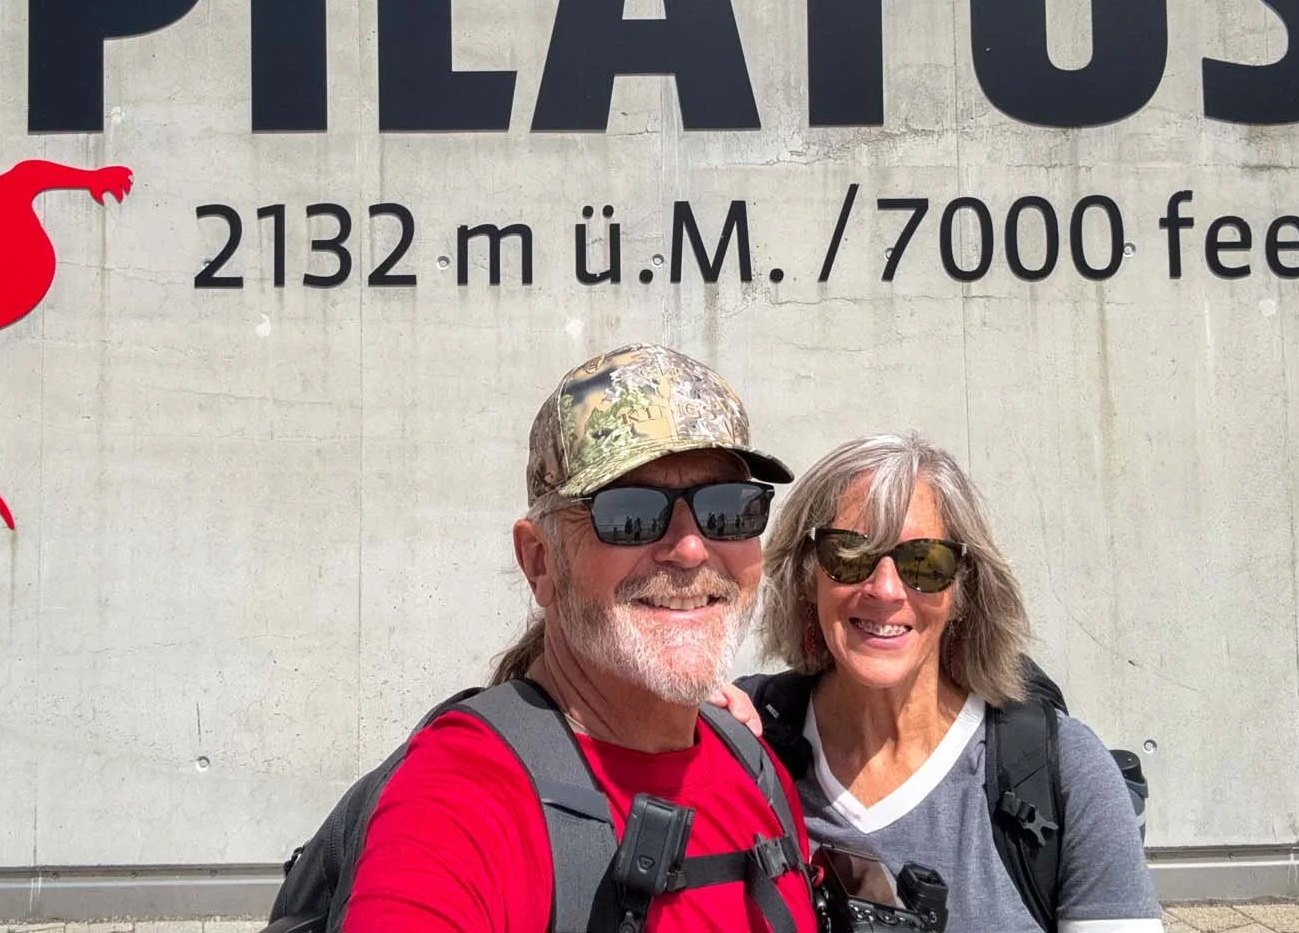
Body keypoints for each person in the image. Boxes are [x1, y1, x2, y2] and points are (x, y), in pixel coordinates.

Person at [339, 342, 819, 932]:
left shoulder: (755, 767)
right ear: (539, 561)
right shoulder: (462, 797)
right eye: (629, 514)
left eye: (727, 508)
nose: (691, 549)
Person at [739, 433, 1162, 933]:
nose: (886, 590)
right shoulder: (746, 739)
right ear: (808, 577)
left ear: (964, 591)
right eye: (849, 555)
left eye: (925, 563)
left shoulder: (1067, 770)